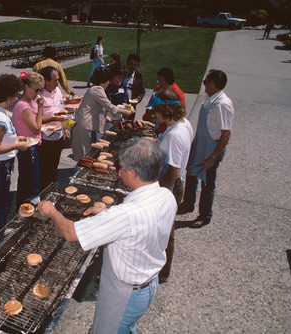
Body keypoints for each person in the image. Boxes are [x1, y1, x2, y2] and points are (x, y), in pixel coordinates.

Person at [38, 138, 177, 334]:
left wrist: (51, 211)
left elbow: (70, 233)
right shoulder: (165, 196)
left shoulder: (125, 215)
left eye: (121, 167)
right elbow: (141, 226)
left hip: (124, 295)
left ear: (132, 173)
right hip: (147, 286)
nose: (119, 171)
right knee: (126, 328)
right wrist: (106, 215)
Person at [177, 69, 234, 228]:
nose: (204, 85)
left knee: (208, 184)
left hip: (211, 148)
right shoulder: (209, 99)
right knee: (192, 175)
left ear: (213, 84)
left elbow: (226, 134)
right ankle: (188, 204)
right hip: (201, 143)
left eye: (206, 82)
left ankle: (205, 215)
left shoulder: (222, 104)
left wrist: (213, 157)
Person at [0, 74, 30, 239]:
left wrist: (16, 139)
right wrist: (18, 145)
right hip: (0, 165)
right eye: (16, 95)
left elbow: (1, 140)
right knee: (0, 204)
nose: (17, 98)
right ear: (9, 96)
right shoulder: (0, 118)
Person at [152, 103, 193, 283]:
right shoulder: (183, 123)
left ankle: (162, 274)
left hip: (170, 187)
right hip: (172, 185)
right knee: (163, 230)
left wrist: (157, 192)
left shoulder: (176, 135)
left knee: (166, 232)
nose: (154, 114)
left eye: (156, 111)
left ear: (165, 112)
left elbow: (173, 172)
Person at [71, 67, 130, 161]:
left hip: (85, 126)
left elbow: (100, 111)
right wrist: (125, 111)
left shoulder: (96, 89)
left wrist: (111, 120)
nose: (108, 83)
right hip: (85, 126)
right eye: (107, 81)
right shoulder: (97, 90)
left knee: (86, 153)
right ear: (102, 80)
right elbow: (110, 107)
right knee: (86, 154)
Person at [12, 72, 45, 207]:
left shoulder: (25, 102)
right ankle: (27, 208)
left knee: (26, 180)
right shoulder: (24, 106)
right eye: (36, 90)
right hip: (28, 148)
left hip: (27, 146)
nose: (38, 94)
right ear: (26, 87)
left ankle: (23, 207)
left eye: (40, 90)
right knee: (31, 182)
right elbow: (36, 128)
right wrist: (41, 107)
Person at [38, 66, 70, 190]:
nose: (58, 82)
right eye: (55, 80)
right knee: (43, 168)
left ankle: (51, 189)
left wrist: (66, 128)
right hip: (44, 139)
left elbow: (62, 111)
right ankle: (42, 193)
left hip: (58, 136)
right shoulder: (39, 95)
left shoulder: (58, 91)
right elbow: (37, 118)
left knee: (53, 166)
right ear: (46, 81)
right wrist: (53, 119)